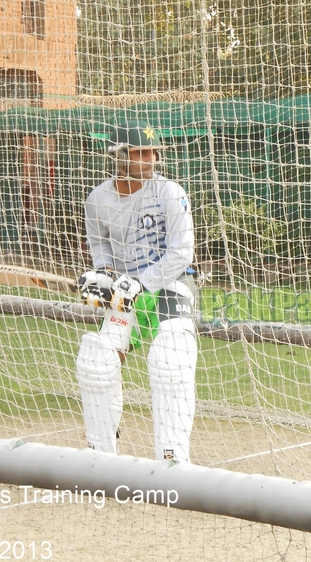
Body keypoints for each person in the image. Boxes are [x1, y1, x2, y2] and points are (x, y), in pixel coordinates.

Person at [75, 122, 197, 462]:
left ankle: (173, 459)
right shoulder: (98, 198)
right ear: (118, 156)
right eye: (140, 153)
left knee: (171, 359)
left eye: (152, 152)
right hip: (125, 289)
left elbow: (181, 253)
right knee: (98, 358)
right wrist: (102, 273)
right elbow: (99, 244)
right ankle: (101, 457)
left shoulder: (171, 192)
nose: (150, 159)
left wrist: (143, 283)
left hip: (170, 284)